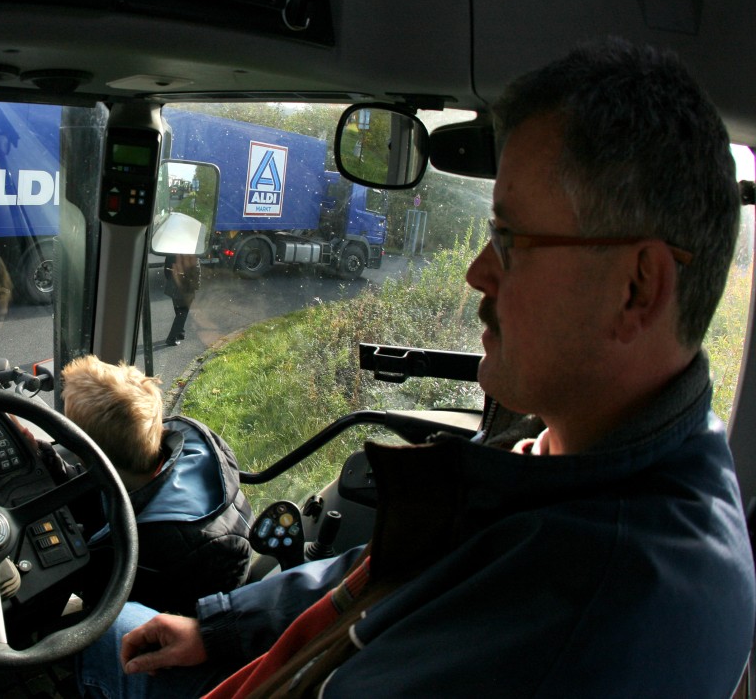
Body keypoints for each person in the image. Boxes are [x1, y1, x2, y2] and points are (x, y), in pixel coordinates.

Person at [78, 39, 756, 698]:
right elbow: (396, 572)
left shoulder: (587, 613)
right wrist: (223, 626)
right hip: (296, 659)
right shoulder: (585, 458)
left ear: (638, 288)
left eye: (512, 240)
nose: (476, 272)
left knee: (94, 638)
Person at [57, 355, 252, 615]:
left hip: (159, 620)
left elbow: (97, 591)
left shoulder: (154, 545)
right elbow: (103, 493)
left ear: (91, 456)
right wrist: (47, 461)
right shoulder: (182, 456)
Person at [162, 254, 200, 346]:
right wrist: (196, 286)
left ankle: (180, 332)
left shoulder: (172, 252)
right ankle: (171, 338)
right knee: (183, 313)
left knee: (178, 309)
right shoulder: (192, 253)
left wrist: (171, 281)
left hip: (173, 286)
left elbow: (166, 270)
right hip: (186, 286)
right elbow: (196, 272)